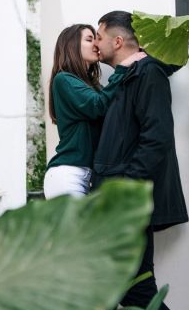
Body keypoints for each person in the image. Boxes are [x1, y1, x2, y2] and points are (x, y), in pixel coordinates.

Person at [91, 10, 189, 310]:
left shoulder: (148, 75)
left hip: (132, 198)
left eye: (99, 35)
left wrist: (125, 187)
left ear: (118, 41)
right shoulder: (127, 79)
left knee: (136, 288)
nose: (96, 42)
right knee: (138, 286)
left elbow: (156, 139)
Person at [43, 23, 140, 199]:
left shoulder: (94, 86)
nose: (96, 44)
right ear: (71, 46)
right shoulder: (64, 79)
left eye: (96, 39)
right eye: (89, 39)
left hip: (89, 175)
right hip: (68, 174)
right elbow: (98, 106)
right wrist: (123, 67)